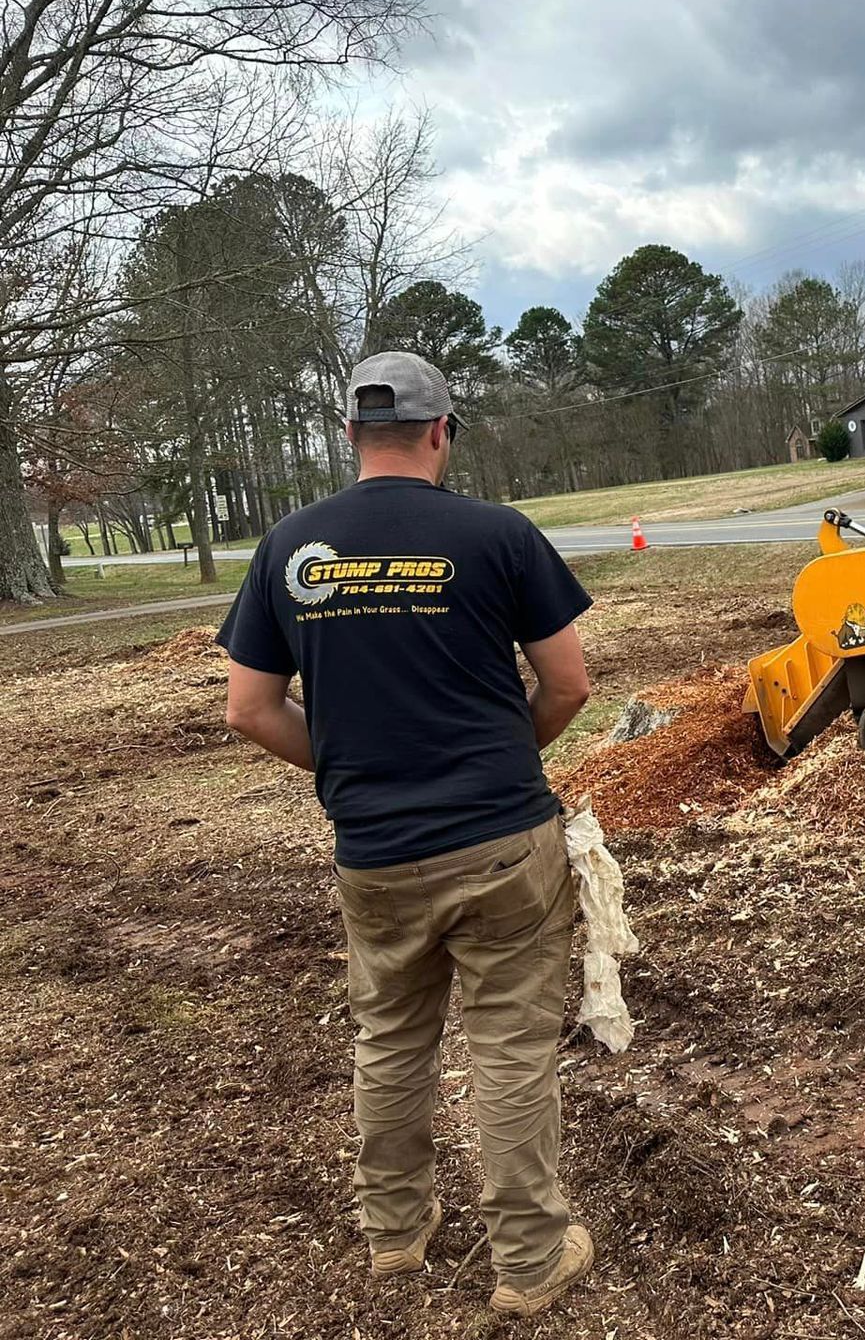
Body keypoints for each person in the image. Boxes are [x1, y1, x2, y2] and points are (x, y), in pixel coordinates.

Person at [217, 351, 597, 1317]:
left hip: (374, 853)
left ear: (350, 437)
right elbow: (569, 685)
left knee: (389, 1040)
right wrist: (513, 756)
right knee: (510, 1050)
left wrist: (352, 770)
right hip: (504, 842)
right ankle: (529, 1262)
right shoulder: (499, 535)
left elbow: (251, 710)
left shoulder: (290, 549)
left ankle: (395, 1235)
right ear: (441, 432)